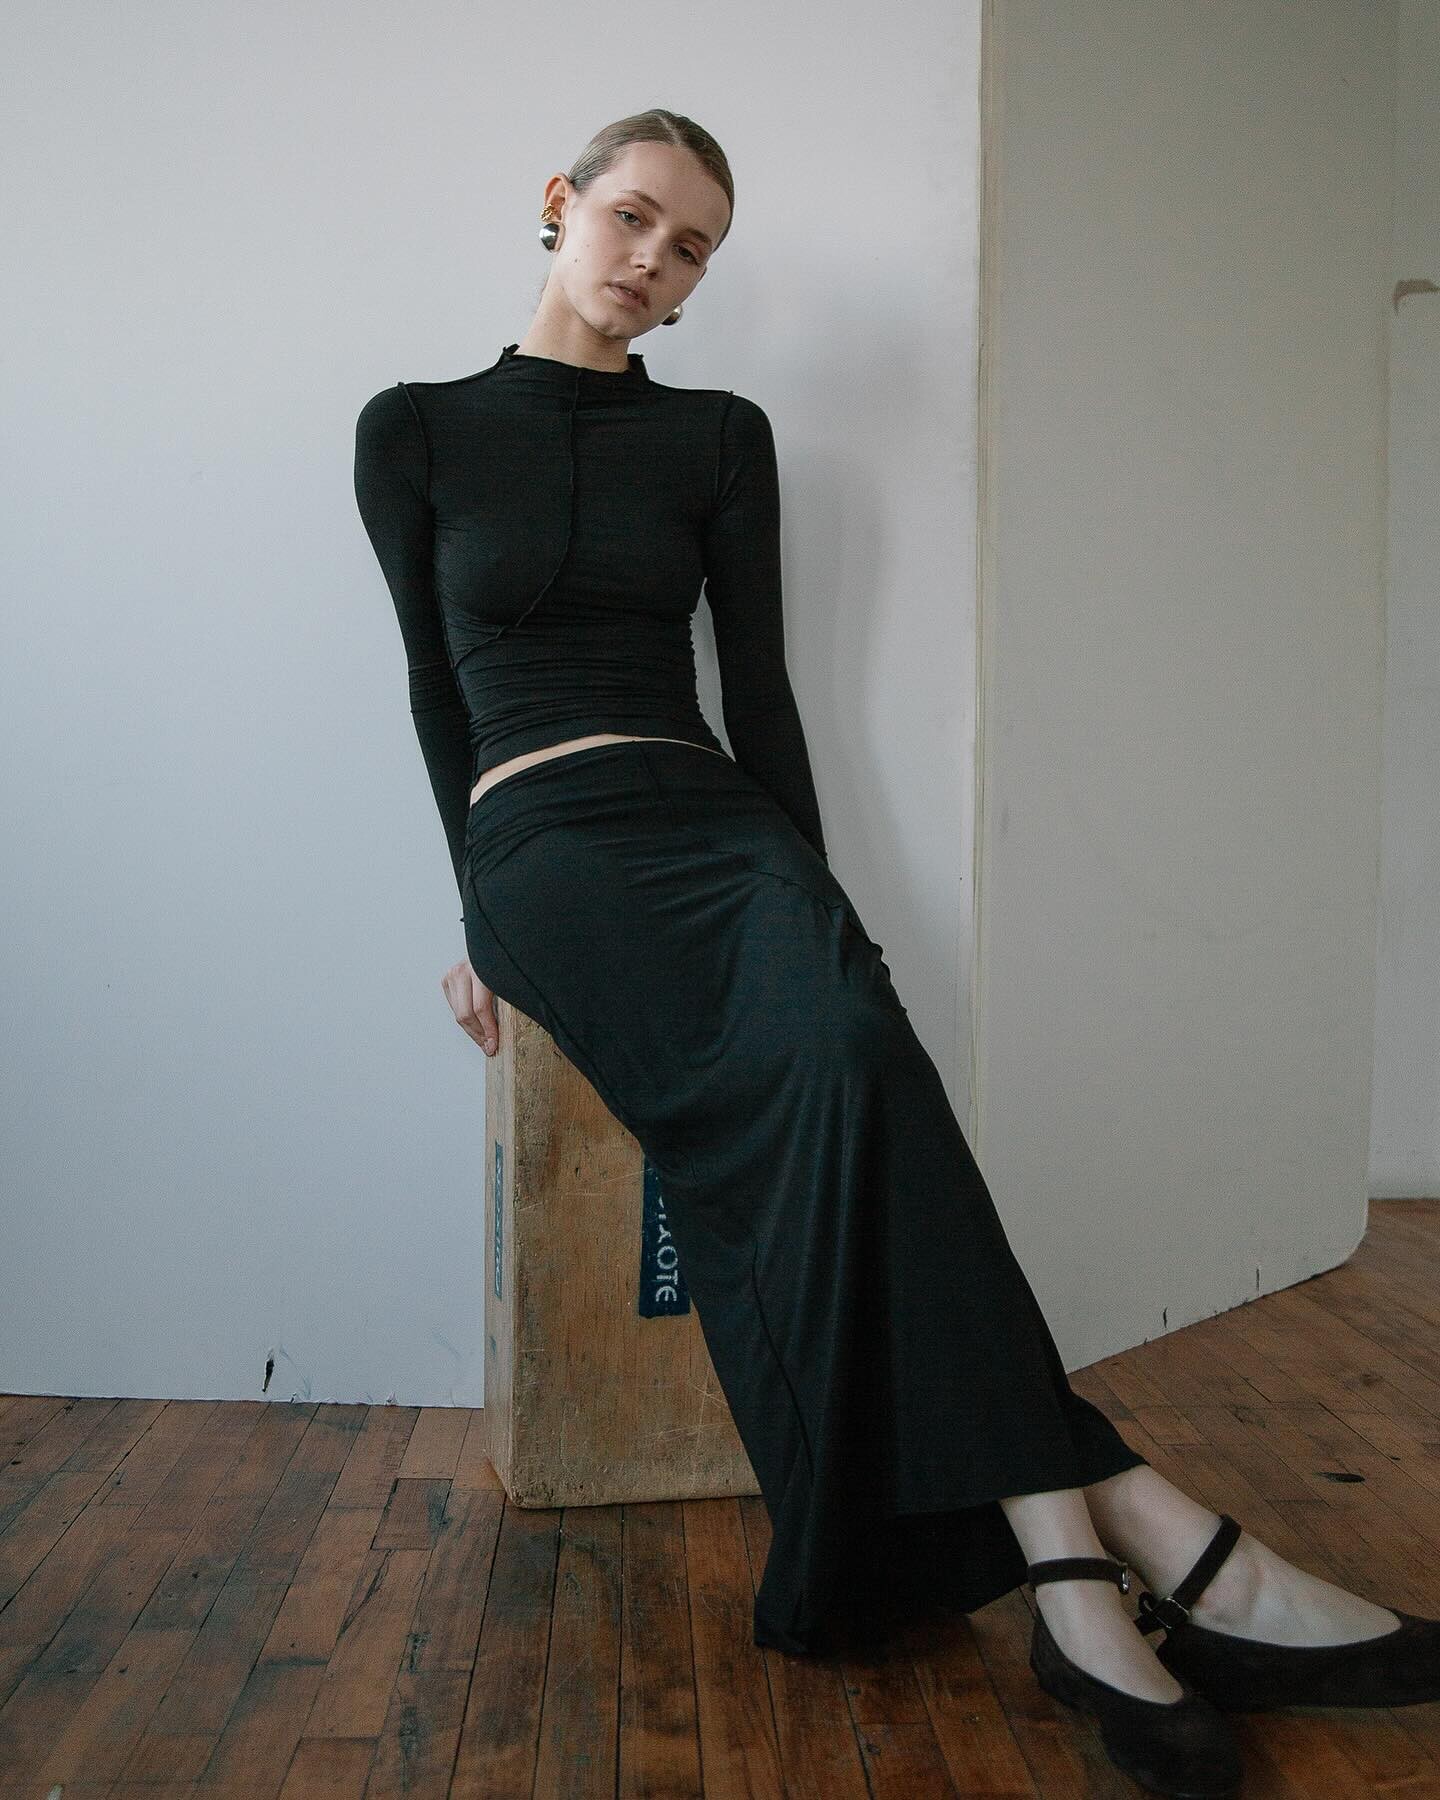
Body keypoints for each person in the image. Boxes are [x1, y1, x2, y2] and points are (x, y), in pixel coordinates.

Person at [354, 109, 1440, 1797]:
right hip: (544, 842)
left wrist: (819, 906)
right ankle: (1134, 1544)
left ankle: (1080, 1576)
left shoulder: (720, 437)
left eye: (693, 247)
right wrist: (470, 912)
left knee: (856, 1046)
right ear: (560, 204)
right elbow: (436, 693)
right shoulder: (412, 428)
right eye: (633, 217)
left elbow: (761, 694)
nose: (654, 261)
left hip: (714, 819)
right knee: (833, 1097)